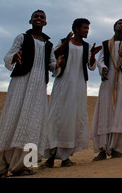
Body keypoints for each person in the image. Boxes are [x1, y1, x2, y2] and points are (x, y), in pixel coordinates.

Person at [0, 10, 62, 178]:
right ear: (30, 20)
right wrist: (14, 57)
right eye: (36, 16)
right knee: (12, 118)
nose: (39, 19)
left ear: (46, 23)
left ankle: (21, 166)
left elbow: (52, 65)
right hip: (21, 83)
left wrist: (57, 64)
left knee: (33, 124)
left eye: (42, 17)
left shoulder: (48, 44)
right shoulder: (22, 38)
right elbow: (8, 55)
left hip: (39, 88)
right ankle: (0, 167)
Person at [41, 18, 101, 168]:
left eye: (88, 28)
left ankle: (66, 157)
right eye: (84, 28)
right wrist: (65, 45)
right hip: (63, 84)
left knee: (72, 119)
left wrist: (92, 55)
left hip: (79, 86)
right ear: (76, 29)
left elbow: (91, 66)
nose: (87, 31)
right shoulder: (64, 41)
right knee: (56, 117)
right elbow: (52, 58)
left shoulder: (86, 46)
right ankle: (50, 157)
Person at [91, 19, 122, 160]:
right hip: (108, 81)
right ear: (114, 26)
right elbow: (101, 60)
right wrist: (103, 69)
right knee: (105, 111)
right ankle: (102, 149)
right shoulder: (105, 44)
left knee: (120, 111)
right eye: (119, 23)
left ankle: (117, 149)